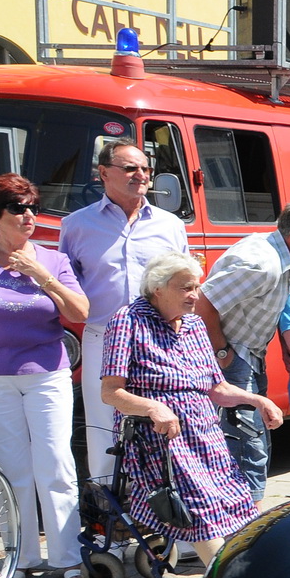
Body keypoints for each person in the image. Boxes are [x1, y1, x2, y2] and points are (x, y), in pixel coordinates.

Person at [101, 253, 281, 569]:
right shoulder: (127, 321)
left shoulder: (196, 325)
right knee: (200, 501)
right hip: (157, 437)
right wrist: (154, 407)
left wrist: (258, 400)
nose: (195, 295)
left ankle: (252, 571)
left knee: (236, 500)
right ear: (158, 288)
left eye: (196, 287)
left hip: (203, 432)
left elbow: (217, 389)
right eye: (186, 288)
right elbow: (111, 392)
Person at [0, 175, 90, 578]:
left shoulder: (52, 260)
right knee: (12, 468)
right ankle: (21, 557)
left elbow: (81, 312)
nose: (29, 216)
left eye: (32, 207)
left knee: (55, 463)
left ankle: (68, 557)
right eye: (18, 209)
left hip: (46, 375)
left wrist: (40, 274)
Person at [58, 136, 189, 479]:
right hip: (103, 336)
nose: (141, 175)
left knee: (163, 421)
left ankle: (160, 512)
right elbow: (67, 285)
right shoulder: (76, 226)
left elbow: (187, 284)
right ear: (103, 173)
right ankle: (105, 521)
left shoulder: (170, 226)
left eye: (146, 168)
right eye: (130, 168)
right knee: (103, 427)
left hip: (158, 339)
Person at [195, 201, 290, 501]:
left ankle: (242, 520)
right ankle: (243, 530)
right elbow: (201, 303)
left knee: (255, 438)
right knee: (247, 445)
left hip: (250, 354)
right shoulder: (261, 264)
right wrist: (223, 354)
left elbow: (271, 306)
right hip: (232, 356)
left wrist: (284, 346)